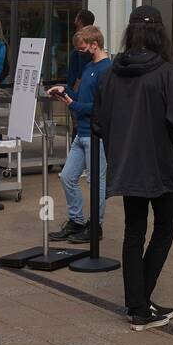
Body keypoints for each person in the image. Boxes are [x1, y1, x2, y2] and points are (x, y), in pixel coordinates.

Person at [94, 5, 173, 330]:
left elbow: (100, 122)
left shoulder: (112, 72)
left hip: (126, 164)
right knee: (164, 230)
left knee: (133, 232)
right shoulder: (166, 72)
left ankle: (138, 301)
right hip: (160, 164)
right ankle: (139, 304)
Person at [48, 25, 112, 243]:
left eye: (84, 49)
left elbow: (100, 107)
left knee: (96, 182)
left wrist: (73, 104)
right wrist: (63, 91)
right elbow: (80, 96)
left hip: (96, 135)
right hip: (82, 134)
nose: (81, 53)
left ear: (95, 45)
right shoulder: (89, 67)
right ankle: (76, 220)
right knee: (67, 177)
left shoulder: (106, 69)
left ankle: (96, 225)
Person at [65, 9, 96, 92]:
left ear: (80, 21)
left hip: (78, 88)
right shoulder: (90, 38)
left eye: (76, 18)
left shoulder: (83, 41)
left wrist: (75, 89)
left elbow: (82, 70)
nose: (74, 21)